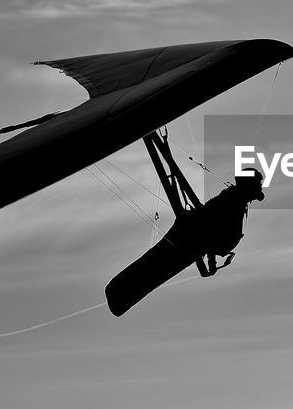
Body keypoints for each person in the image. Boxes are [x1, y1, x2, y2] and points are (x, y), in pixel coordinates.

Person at [104, 134, 263, 316]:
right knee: (152, 270)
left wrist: (211, 258)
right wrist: (211, 257)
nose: (259, 188)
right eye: (257, 184)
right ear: (247, 185)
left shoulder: (235, 201)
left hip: (191, 244)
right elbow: (210, 229)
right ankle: (118, 295)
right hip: (185, 243)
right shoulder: (230, 202)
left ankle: (119, 297)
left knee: (154, 271)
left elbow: (214, 233)